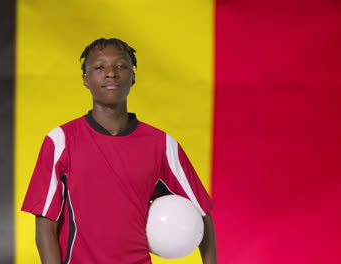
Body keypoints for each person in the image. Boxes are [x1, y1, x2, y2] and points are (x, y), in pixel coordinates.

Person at [21, 38, 217, 264]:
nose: (111, 73)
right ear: (86, 79)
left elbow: (202, 213)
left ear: (133, 77)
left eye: (121, 66)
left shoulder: (161, 145)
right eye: (99, 67)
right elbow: (45, 224)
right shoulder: (61, 141)